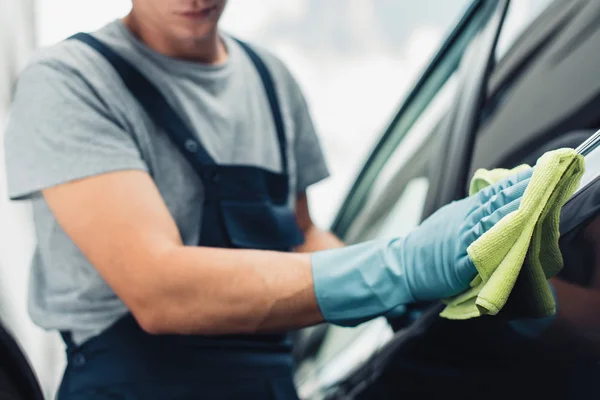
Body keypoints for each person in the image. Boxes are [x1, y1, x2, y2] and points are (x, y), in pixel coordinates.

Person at [2, 1, 532, 399]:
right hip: (135, 385)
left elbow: (300, 236)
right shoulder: (71, 82)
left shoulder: (270, 79)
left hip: (272, 384)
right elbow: (159, 290)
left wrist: (404, 291)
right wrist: (398, 267)